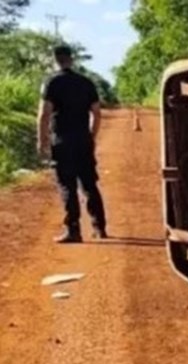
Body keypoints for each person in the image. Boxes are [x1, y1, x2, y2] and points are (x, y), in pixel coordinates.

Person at [37, 44, 107, 243]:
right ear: (71, 58)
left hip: (62, 141)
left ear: (55, 59)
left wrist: (42, 141)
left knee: (67, 185)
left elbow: (44, 114)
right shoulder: (86, 82)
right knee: (89, 184)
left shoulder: (51, 82)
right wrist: (91, 136)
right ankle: (100, 228)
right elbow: (96, 113)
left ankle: (73, 230)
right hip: (83, 140)